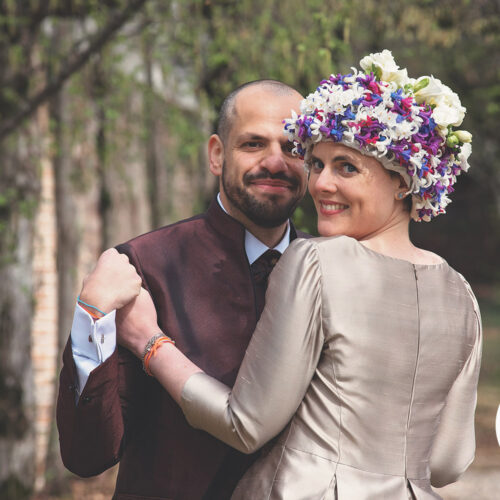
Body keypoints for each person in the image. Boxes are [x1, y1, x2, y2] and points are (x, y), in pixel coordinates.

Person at [116, 50, 482, 499]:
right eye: (317, 164)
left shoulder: (316, 261)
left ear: (404, 180)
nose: (320, 184)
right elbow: (447, 461)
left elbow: (244, 425)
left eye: (347, 167)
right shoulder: (462, 294)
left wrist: (149, 343)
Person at [56, 80, 309, 500]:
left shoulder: (333, 272)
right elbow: (87, 456)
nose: (275, 162)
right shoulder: (146, 265)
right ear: (216, 154)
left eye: (294, 147)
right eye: (253, 144)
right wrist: (91, 315)